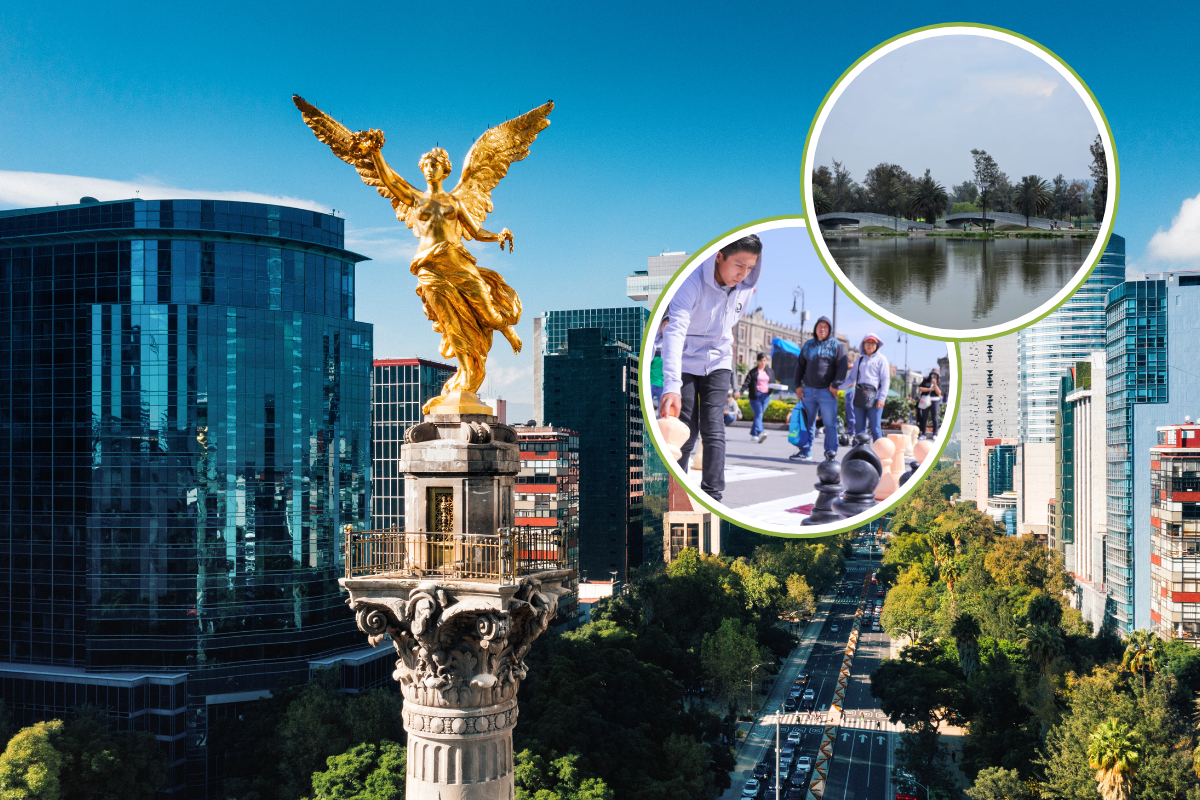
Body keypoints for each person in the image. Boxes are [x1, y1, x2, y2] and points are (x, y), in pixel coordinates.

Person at [660, 235, 763, 501]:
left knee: (714, 427)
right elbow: (674, 332)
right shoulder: (690, 283)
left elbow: (730, 324)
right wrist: (671, 386)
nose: (743, 274)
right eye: (739, 265)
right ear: (719, 256)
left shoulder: (745, 288)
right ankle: (678, 492)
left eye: (750, 268)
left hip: (718, 359)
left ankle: (713, 494)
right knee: (686, 430)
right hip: (685, 357)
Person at [789, 316, 848, 462]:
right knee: (807, 423)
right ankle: (805, 451)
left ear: (830, 330)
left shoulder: (837, 345)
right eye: (820, 326)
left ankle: (830, 454)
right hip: (808, 390)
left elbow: (843, 367)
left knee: (830, 424)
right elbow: (800, 366)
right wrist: (797, 386)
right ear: (815, 328)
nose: (822, 329)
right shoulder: (808, 345)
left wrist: (835, 385)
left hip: (827, 392)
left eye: (825, 327)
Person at [844, 333, 889, 441]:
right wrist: (837, 386)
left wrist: (882, 398)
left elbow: (886, 379)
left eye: (873, 343)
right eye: (868, 342)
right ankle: (859, 454)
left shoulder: (881, 359)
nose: (870, 345)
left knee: (875, 429)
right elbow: (851, 379)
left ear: (877, 345)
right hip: (859, 398)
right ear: (863, 344)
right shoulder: (859, 360)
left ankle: (879, 455)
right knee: (859, 429)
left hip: (876, 399)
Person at [739, 352, 776, 443]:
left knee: (759, 415)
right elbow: (747, 383)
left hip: (766, 396)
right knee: (759, 414)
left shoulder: (770, 371)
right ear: (757, 361)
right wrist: (740, 392)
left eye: (764, 360)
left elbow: (773, 382)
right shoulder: (753, 372)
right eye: (761, 361)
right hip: (756, 396)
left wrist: (775, 387)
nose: (763, 362)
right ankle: (760, 432)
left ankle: (754, 434)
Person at [915, 368, 943, 438]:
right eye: (933, 374)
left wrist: (935, 384)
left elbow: (939, 392)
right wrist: (930, 389)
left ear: (938, 375)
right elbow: (920, 388)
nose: (934, 376)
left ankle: (935, 434)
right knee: (924, 417)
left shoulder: (938, 382)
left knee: (935, 417)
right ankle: (923, 433)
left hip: (935, 400)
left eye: (935, 374)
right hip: (925, 400)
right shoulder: (926, 381)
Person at [649, 316, 669, 413]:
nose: (666, 328)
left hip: (663, 382)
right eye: (664, 325)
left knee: (664, 410)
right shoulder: (655, 342)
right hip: (651, 380)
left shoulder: (672, 343)